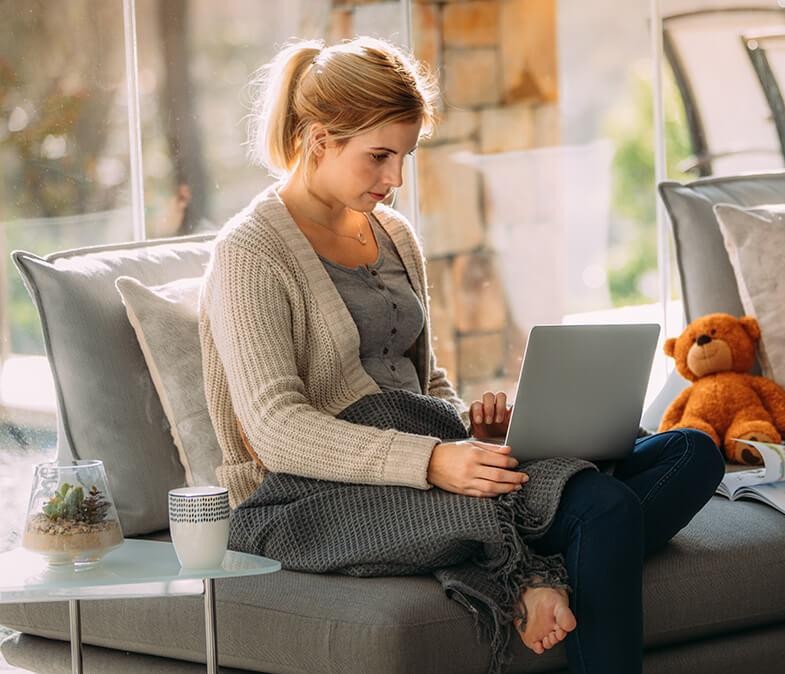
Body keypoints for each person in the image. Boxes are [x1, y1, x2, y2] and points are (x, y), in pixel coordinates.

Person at [197, 36, 723, 674]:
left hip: (429, 450)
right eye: (379, 157)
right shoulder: (249, 252)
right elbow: (275, 430)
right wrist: (433, 462)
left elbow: (429, 381)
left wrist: (473, 429)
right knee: (603, 508)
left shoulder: (393, 234)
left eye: (404, 157)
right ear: (318, 140)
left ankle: (534, 562)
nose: (395, 179)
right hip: (313, 491)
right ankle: (527, 571)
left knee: (692, 453)